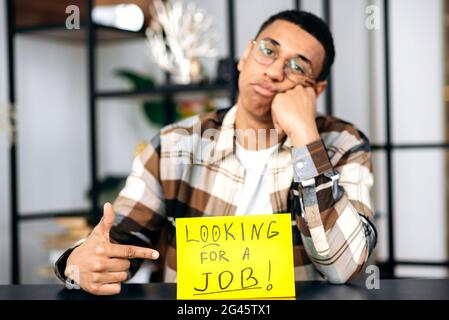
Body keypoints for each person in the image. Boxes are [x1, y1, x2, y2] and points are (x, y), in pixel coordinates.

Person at [55, 10, 377, 295]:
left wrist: (306, 138)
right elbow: (122, 241)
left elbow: (344, 266)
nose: (275, 72)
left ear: (316, 89)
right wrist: (79, 261)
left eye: (297, 67)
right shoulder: (173, 145)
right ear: (245, 56)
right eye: (268, 51)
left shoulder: (342, 144)